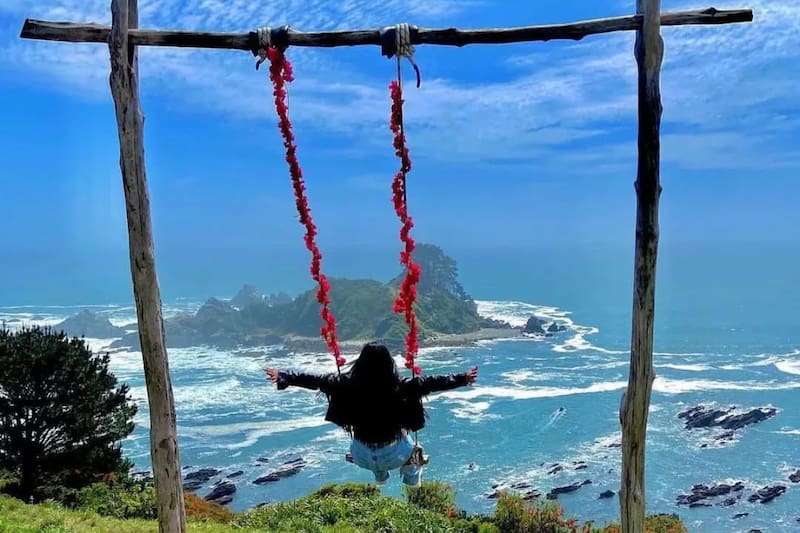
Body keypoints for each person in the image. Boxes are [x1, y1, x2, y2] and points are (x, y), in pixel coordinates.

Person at [264, 342, 478, 487]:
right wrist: (463, 378)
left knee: (374, 453)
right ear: (389, 364)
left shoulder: (345, 384)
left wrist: (284, 376)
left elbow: (313, 380)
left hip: (360, 455)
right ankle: (412, 483)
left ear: (361, 362)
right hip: (395, 456)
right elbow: (435, 382)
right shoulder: (403, 387)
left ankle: (379, 476)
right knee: (415, 449)